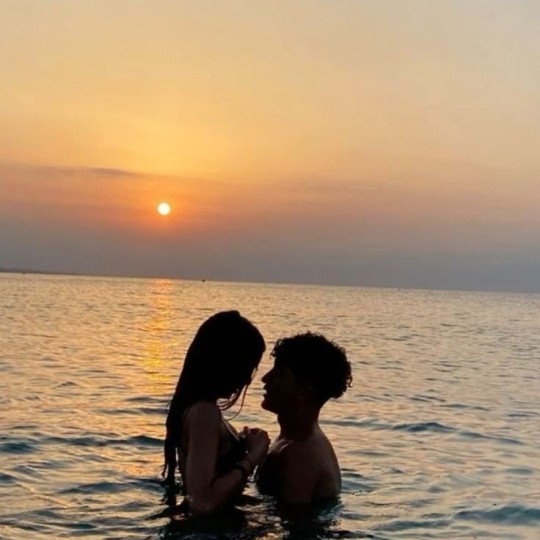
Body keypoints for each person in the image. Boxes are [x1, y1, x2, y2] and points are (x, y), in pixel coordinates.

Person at [163, 310, 270, 515]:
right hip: (213, 529)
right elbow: (201, 502)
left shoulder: (196, 409)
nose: (247, 379)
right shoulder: (204, 413)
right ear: (225, 363)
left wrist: (239, 443)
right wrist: (253, 458)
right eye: (247, 367)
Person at [256, 332, 352, 505]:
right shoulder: (294, 439)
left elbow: (294, 520)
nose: (265, 379)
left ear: (303, 391)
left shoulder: (298, 454)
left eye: (279, 374)